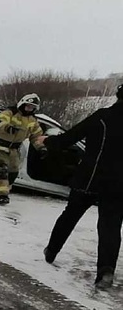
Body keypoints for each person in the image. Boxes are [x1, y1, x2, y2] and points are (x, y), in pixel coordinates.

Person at [41, 84, 123, 289]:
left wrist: (48, 141)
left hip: (90, 178)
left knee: (70, 215)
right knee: (110, 226)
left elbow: (70, 138)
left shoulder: (103, 116)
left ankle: (51, 251)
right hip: (118, 185)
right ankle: (106, 271)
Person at [0, 94, 47, 205]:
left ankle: (5, 189)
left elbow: (36, 136)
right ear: (22, 104)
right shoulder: (10, 113)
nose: (29, 109)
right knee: (1, 170)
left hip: (13, 150)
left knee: (13, 172)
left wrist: (41, 148)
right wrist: (7, 128)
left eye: (32, 108)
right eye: (27, 106)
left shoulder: (32, 120)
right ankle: (2, 195)